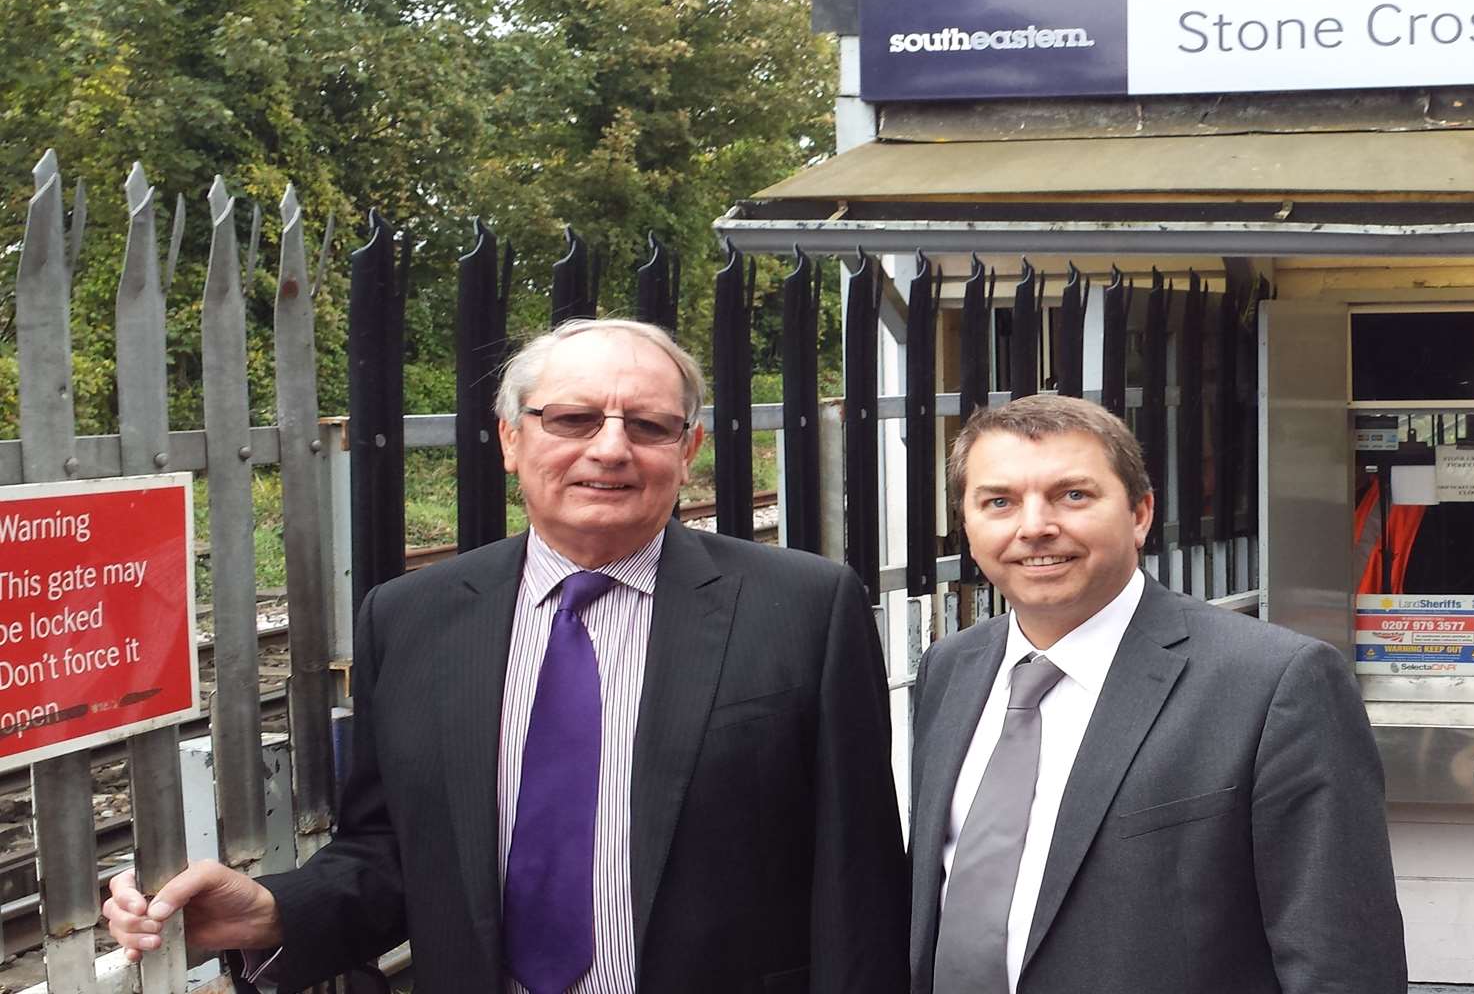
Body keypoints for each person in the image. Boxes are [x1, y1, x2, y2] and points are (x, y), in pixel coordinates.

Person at [103, 318, 908, 994]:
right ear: (510, 440)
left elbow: (859, 880)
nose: (612, 449)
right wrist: (272, 912)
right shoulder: (412, 618)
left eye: (650, 425)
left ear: (688, 448)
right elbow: (393, 852)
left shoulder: (803, 608)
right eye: (574, 420)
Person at [910, 394, 1404, 994]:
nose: (1034, 526)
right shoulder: (949, 670)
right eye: (999, 502)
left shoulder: (1276, 682)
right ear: (967, 524)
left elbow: (1340, 961)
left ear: (1141, 514)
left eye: (1074, 495)